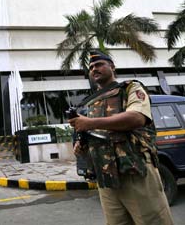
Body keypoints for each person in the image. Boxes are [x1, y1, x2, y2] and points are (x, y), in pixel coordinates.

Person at [68, 51, 173, 225]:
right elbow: (100, 132)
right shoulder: (93, 102)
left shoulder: (131, 88)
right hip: (106, 176)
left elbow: (137, 118)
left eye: (99, 64)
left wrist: (90, 123)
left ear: (112, 67)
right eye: (91, 67)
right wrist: (82, 143)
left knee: (152, 221)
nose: (95, 69)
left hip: (134, 170)